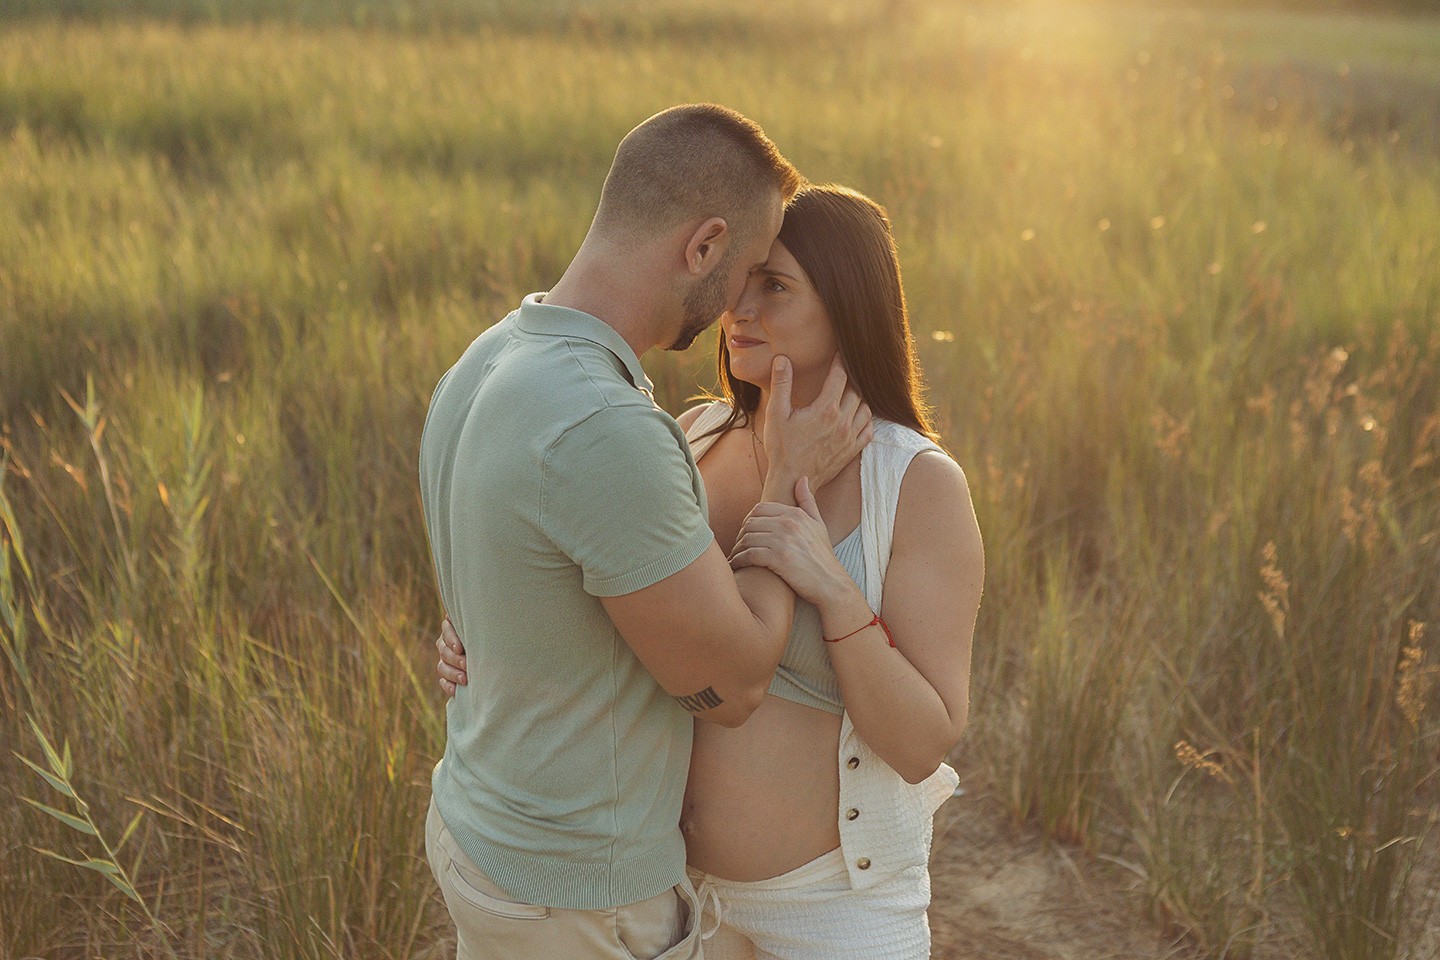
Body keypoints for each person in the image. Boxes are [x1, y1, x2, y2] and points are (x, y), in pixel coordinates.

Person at [438, 183, 985, 959]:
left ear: (848, 306)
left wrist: (829, 589)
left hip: (830, 914)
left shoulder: (916, 485)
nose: (738, 307)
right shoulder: (691, 435)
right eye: (741, 278)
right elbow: (629, 612)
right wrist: (485, 635)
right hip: (674, 902)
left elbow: (923, 741)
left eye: (776, 287)